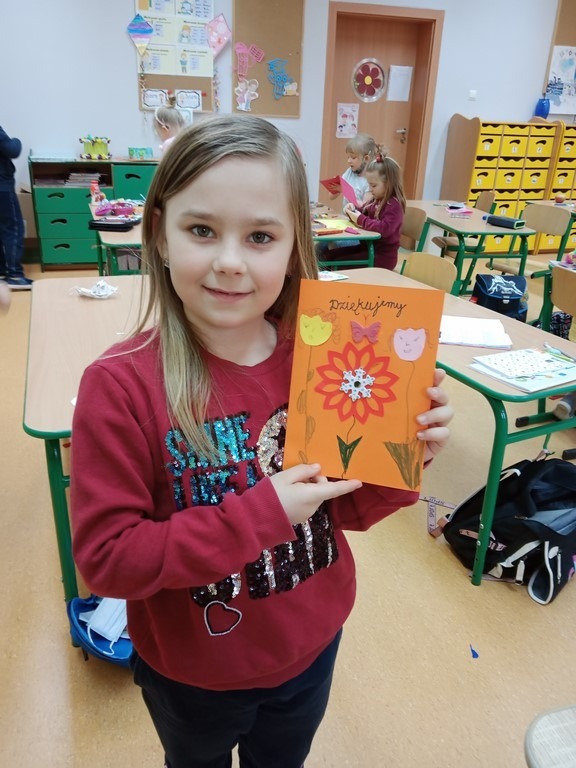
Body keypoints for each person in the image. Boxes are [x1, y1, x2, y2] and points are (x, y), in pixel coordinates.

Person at [70, 115, 453, 768]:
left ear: (294, 244)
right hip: (193, 673)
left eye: (260, 236)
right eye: (201, 230)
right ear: (160, 232)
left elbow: (341, 509)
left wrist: (404, 454)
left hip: (311, 648)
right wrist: (260, 514)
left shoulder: (320, 358)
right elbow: (108, 560)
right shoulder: (121, 385)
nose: (229, 261)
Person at [343, 152, 406, 271]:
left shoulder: (394, 205)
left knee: (337, 263)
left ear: (388, 184)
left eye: (373, 186)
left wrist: (360, 219)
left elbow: (384, 228)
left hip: (382, 257)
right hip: (368, 249)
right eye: (369, 185)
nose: (370, 189)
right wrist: (353, 209)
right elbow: (365, 212)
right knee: (327, 255)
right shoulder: (376, 199)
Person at [0, 126, 33, 289]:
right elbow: (12, 150)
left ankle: (2, 272)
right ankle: (14, 275)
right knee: (13, 229)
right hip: (2, 188)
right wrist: (16, 141)